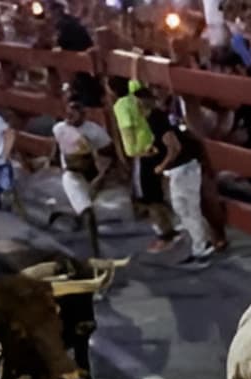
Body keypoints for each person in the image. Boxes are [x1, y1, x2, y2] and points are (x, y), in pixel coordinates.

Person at [139, 89, 217, 264]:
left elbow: (174, 147)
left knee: (188, 207)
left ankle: (202, 246)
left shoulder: (155, 119)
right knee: (184, 207)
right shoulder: (158, 117)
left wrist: (161, 166)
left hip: (183, 167)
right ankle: (201, 244)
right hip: (183, 167)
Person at [108, 79, 179, 253]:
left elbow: (127, 130)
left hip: (143, 154)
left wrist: (130, 153)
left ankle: (166, 235)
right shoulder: (139, 99)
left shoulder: (123, 105)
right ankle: (168, 229)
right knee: (153, 196)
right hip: (152, 149)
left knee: (148, 199)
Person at [50, 97, 113, 256]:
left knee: (85, 208)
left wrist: (102, 175)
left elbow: (108, 152)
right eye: (67, 113)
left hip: (90, 174)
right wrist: (54, 160)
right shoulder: (60, 128)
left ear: (83, 115)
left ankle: (67, 215)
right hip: (72, 175)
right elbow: (58, 145)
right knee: (88, 213)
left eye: (73, 114)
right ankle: (95, 252)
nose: (69, 117)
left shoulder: (94, 131)